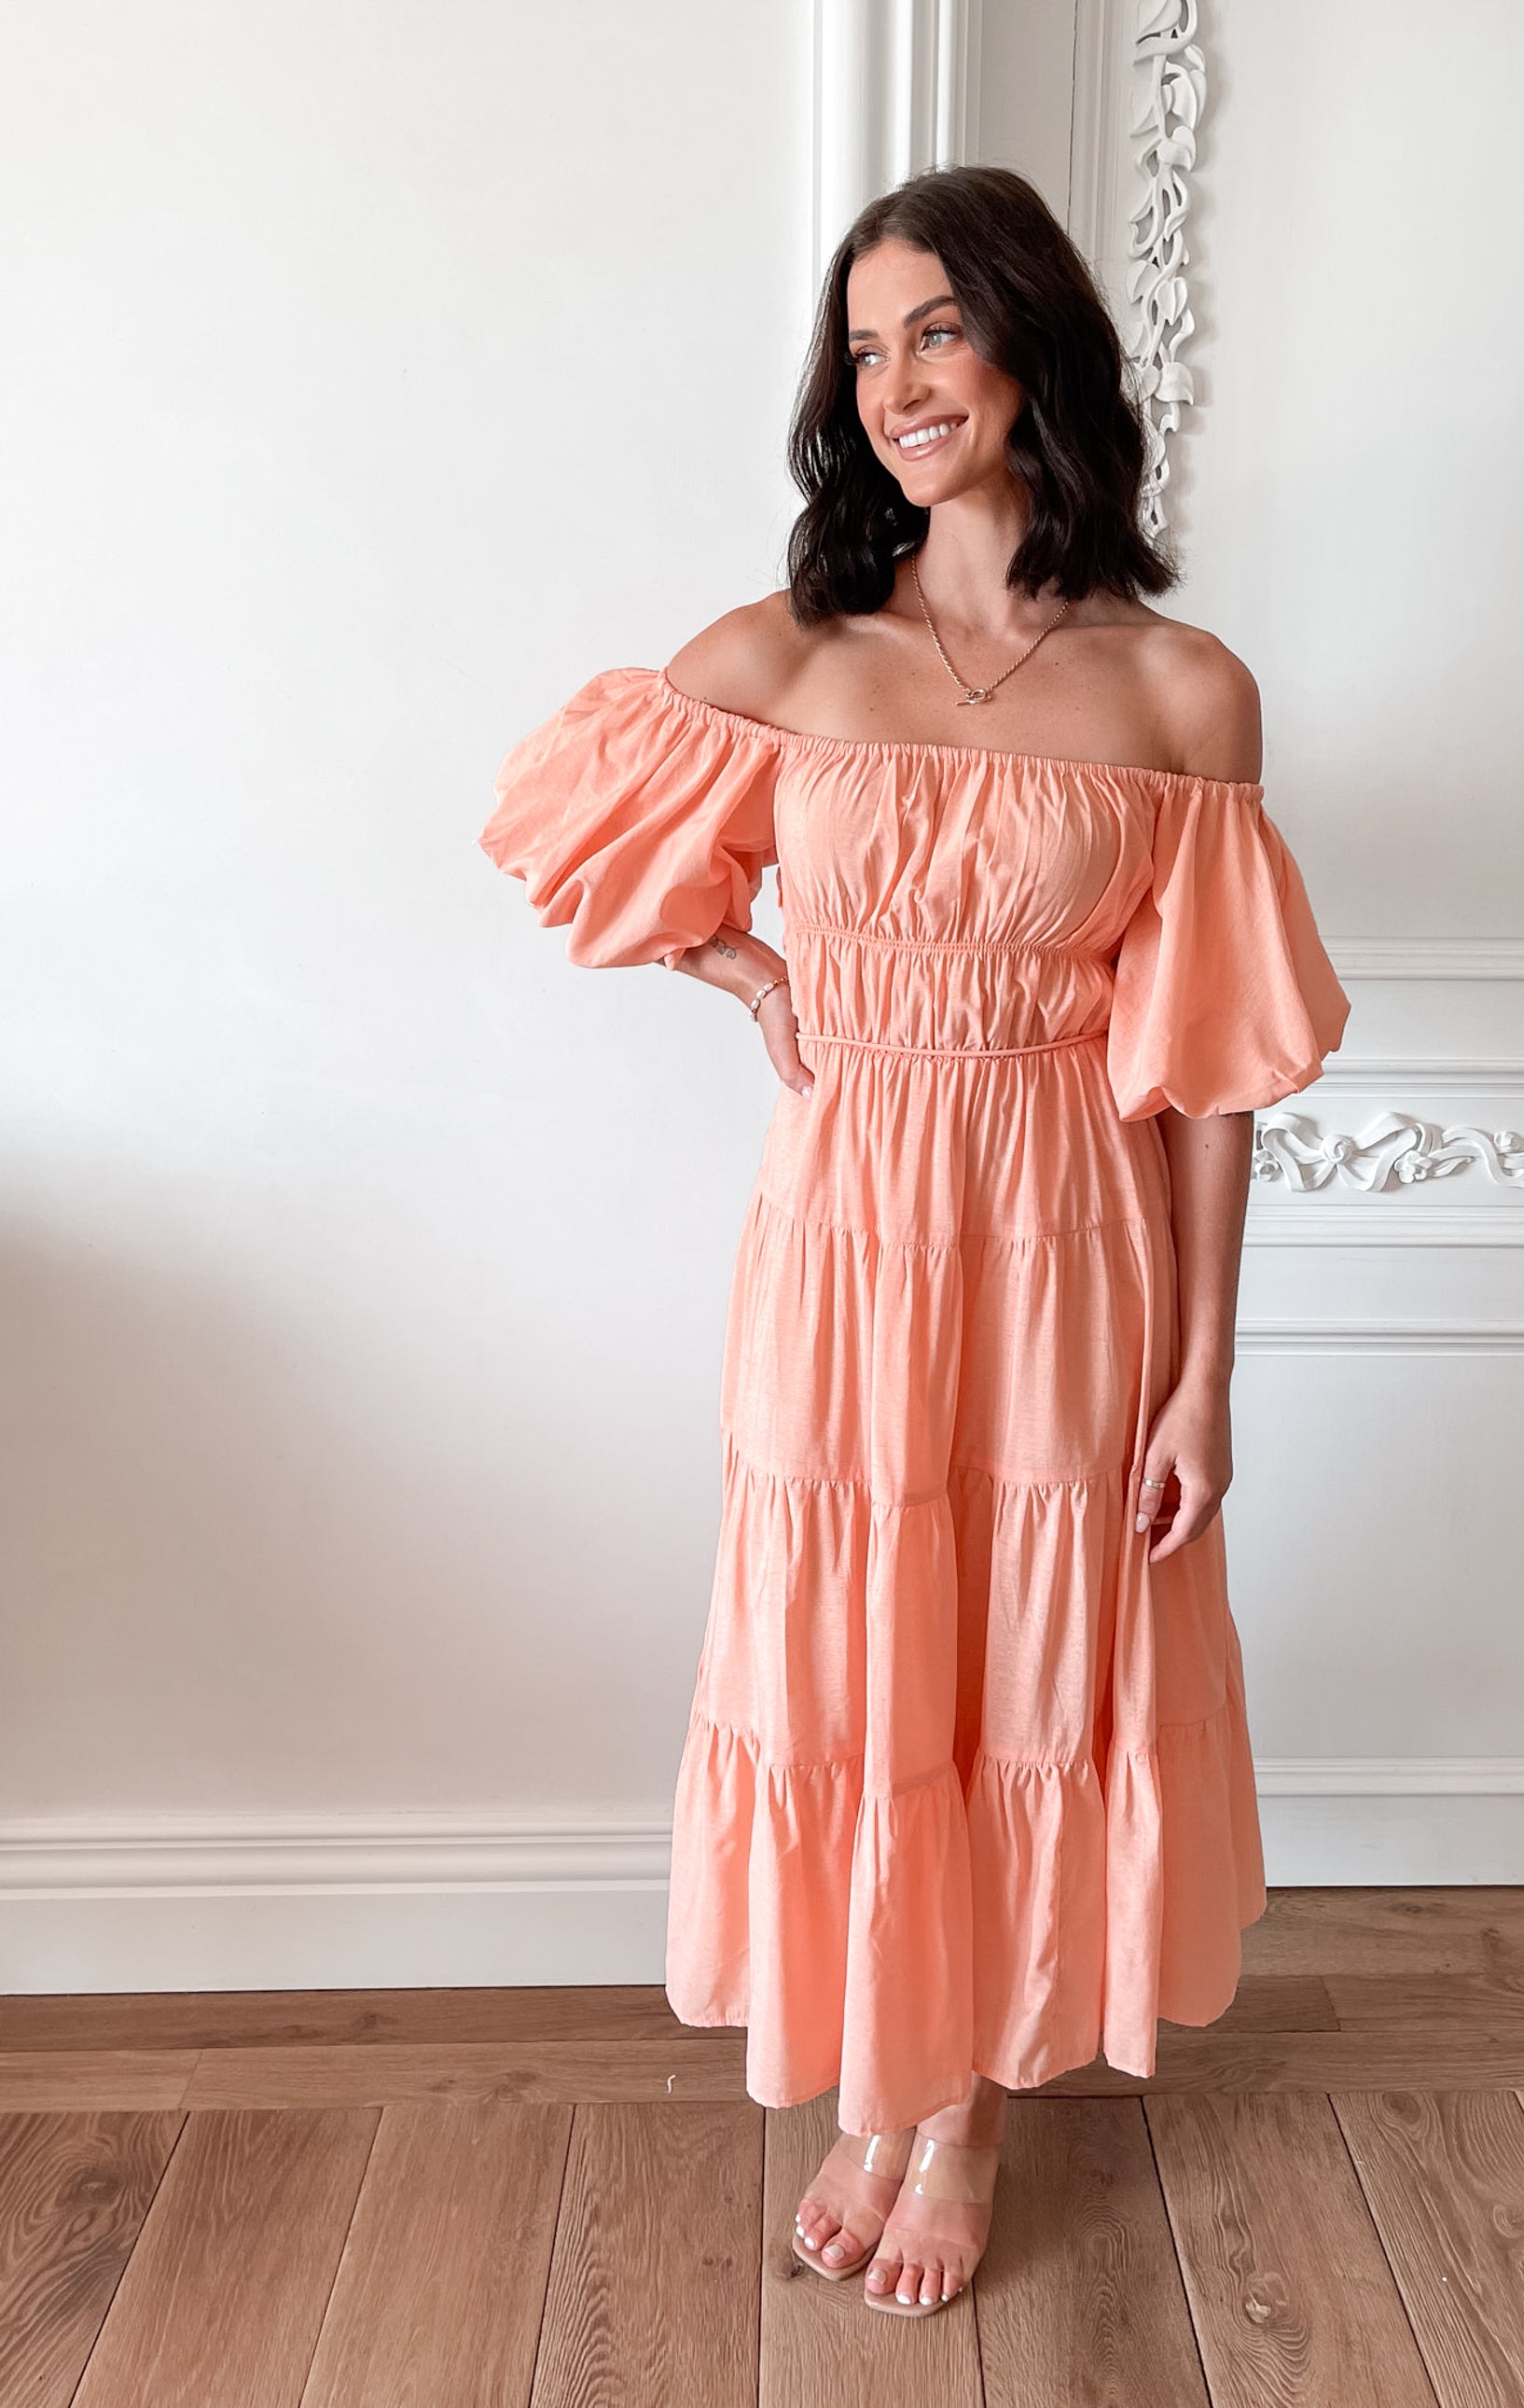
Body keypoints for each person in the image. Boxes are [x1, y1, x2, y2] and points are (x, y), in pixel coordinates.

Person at [480, 161, 1351, 2320]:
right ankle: (877, 2074)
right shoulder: (792, 655)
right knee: (849, 1651)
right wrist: (755, 978)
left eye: (931, 334)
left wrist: (1206, 1371)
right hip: (847, 1238)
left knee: (1024, 1657)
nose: (889, 387)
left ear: (1030, 345)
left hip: (1067, 1237)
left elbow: (1213, 1072)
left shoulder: (1180, 694)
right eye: (858, 352)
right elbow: (561, 835)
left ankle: (955, 2111)